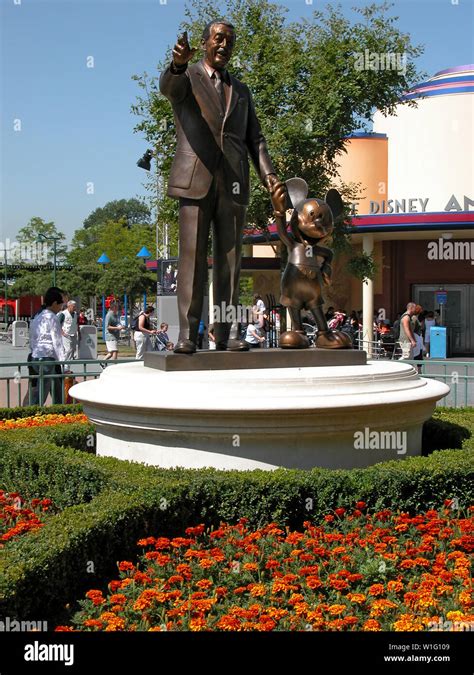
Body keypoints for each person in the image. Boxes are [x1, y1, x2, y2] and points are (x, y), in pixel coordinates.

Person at [159, 21, 284, 353]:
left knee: (230, 263)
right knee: (192, 259)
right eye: (218, 39)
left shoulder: (241, 91)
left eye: (230, 40)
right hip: (194, 179)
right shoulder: (187, 77)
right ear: (203, 44)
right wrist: (177, 64)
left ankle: (228, 333)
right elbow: (169, 88)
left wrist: (269, 176)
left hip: (233, 182)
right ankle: (188, 333)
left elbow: (255, 139)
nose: (224, 45)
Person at [29, 287, 67, 405]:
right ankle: (32, 414)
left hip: (36, 357)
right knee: (41, 393)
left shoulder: (38, 317)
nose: (61, 308)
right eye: (61, 305)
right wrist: (64, 364)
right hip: (47, 358)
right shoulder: (52, 317)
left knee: (56, 387)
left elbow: (32, 339)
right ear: (55, 303)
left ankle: (60, 409)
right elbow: (57, 342)